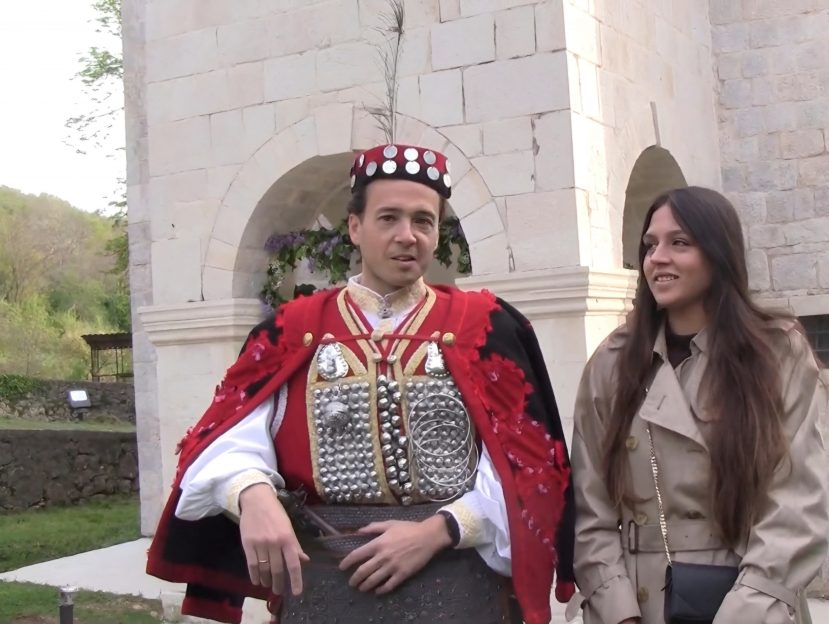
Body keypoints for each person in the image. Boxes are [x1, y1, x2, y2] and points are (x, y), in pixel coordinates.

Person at [146, 143, 575, 624]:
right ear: (354, 226)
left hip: (458, 586)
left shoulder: (485, 326)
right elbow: (224, 443)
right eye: (388, 218)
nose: (407, 236)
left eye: (423, 221)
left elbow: (533, 468)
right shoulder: (293, 330)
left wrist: (441, 529)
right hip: (324, 587)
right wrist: (252, 493)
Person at [570, 187, 828, 624]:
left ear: (718, 253)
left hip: (748, 600)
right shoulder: (612, 363)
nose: (657, 258)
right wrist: (618, 610)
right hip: (640, 601)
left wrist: (746, 611)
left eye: (679, 243)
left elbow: (795, 506)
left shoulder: (775, 354)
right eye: (650, 245)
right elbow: (589, 509)